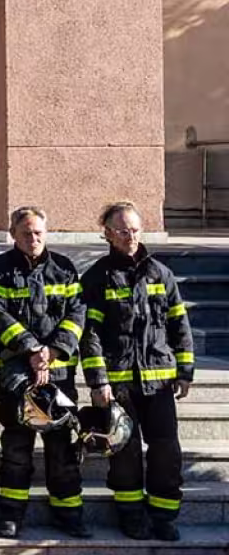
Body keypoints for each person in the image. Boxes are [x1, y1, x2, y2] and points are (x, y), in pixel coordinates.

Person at [80, 201, 194, 542]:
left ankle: (164, 515)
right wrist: (98, 382)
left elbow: (179, 324)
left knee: (166, 452)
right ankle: (130, 515)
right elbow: (91, 336)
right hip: (119, 385)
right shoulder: (97, 277)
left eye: (135, 230)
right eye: (122, 231)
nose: (130, 236)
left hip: (159, 381)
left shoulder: (161, 273)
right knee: (125, 454)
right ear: (108, 234)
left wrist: (185, 369)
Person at [0, 206, 90, 539]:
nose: (34, 239)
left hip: (57, 376)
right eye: (26, 233)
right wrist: (31, 348)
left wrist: (53, 351)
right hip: (16, 377)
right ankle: (11, 515)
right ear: (13, 234)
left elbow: (78, 315)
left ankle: (69, 514)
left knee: (63, 450)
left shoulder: (65, 269)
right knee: (16, 450)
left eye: (39, 232)